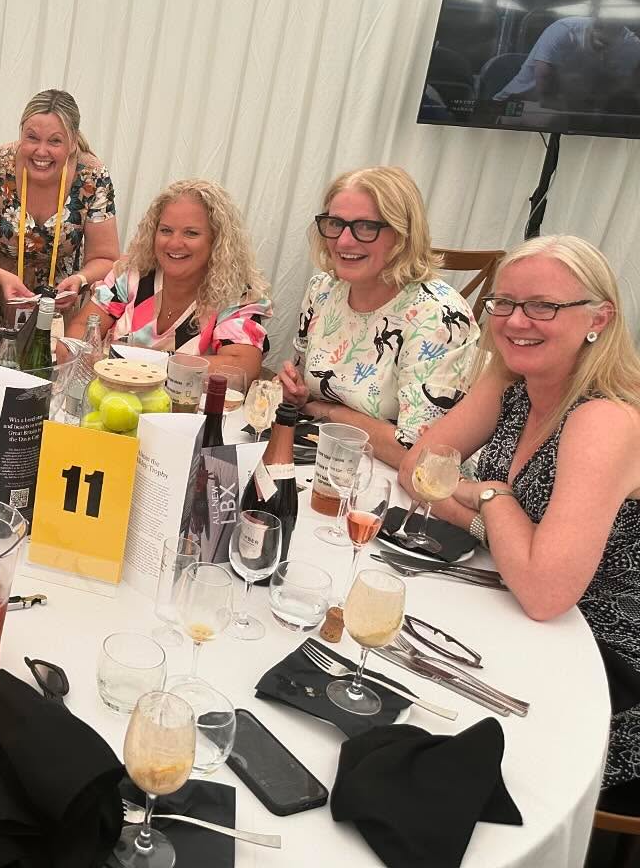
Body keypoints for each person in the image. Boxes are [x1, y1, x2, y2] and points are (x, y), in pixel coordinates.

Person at [399, 235, 640, 809]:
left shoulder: (605, 418)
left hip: (606, 659)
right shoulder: (511, 378)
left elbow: (545, 593)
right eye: (503, 302)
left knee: (429, 758)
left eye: (543, 306)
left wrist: (490, 495)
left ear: (598, 319)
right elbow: (419, 469)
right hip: (519, 604)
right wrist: (501, 529)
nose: (515, 321)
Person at [279, 166, 476, 468]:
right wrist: (298, 393)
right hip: (326, 460)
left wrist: (330, 413)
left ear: (403, 235)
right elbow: (305, 388)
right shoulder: (323, 290)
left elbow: (419, 455)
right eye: (336, 223)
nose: (344, 241)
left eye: (365, 227)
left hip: (400, 483)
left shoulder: (438, 316)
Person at [75, 178, 271, 382]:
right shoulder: (132, 273)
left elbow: (241, 368)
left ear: (217, 240)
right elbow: (79, 332)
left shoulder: (234, 295)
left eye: (191, 233)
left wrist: (137, 366)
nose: (175, 243)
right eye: (166, 230)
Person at [0, 88, 120, 328]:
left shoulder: (92, 176)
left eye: (55, 141)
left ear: (73, 142)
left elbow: (105, 258)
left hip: (61, 303)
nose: (41, 151)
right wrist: (2, 277)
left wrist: (80, 280)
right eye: (32, 138)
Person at [494, 0, 640, 111]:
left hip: (573, 114)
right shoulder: (563, 31)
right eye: (596, 8)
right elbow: (546, 99)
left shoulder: (633, 49)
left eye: (611, 13)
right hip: (507, 108)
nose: (598, 18)